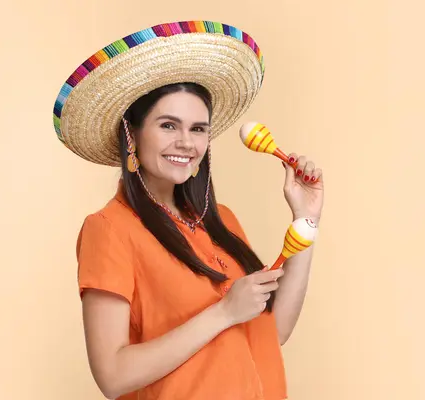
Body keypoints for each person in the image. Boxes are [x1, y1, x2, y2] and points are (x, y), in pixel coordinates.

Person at [52, 20, 324, 400]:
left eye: (198, 129)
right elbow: (112, 375)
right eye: (168, 125)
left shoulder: (222, 220)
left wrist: (306, 219)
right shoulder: (109, 229)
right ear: (132, 132)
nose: (185, 142)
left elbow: (270, 333)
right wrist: (224, 312)